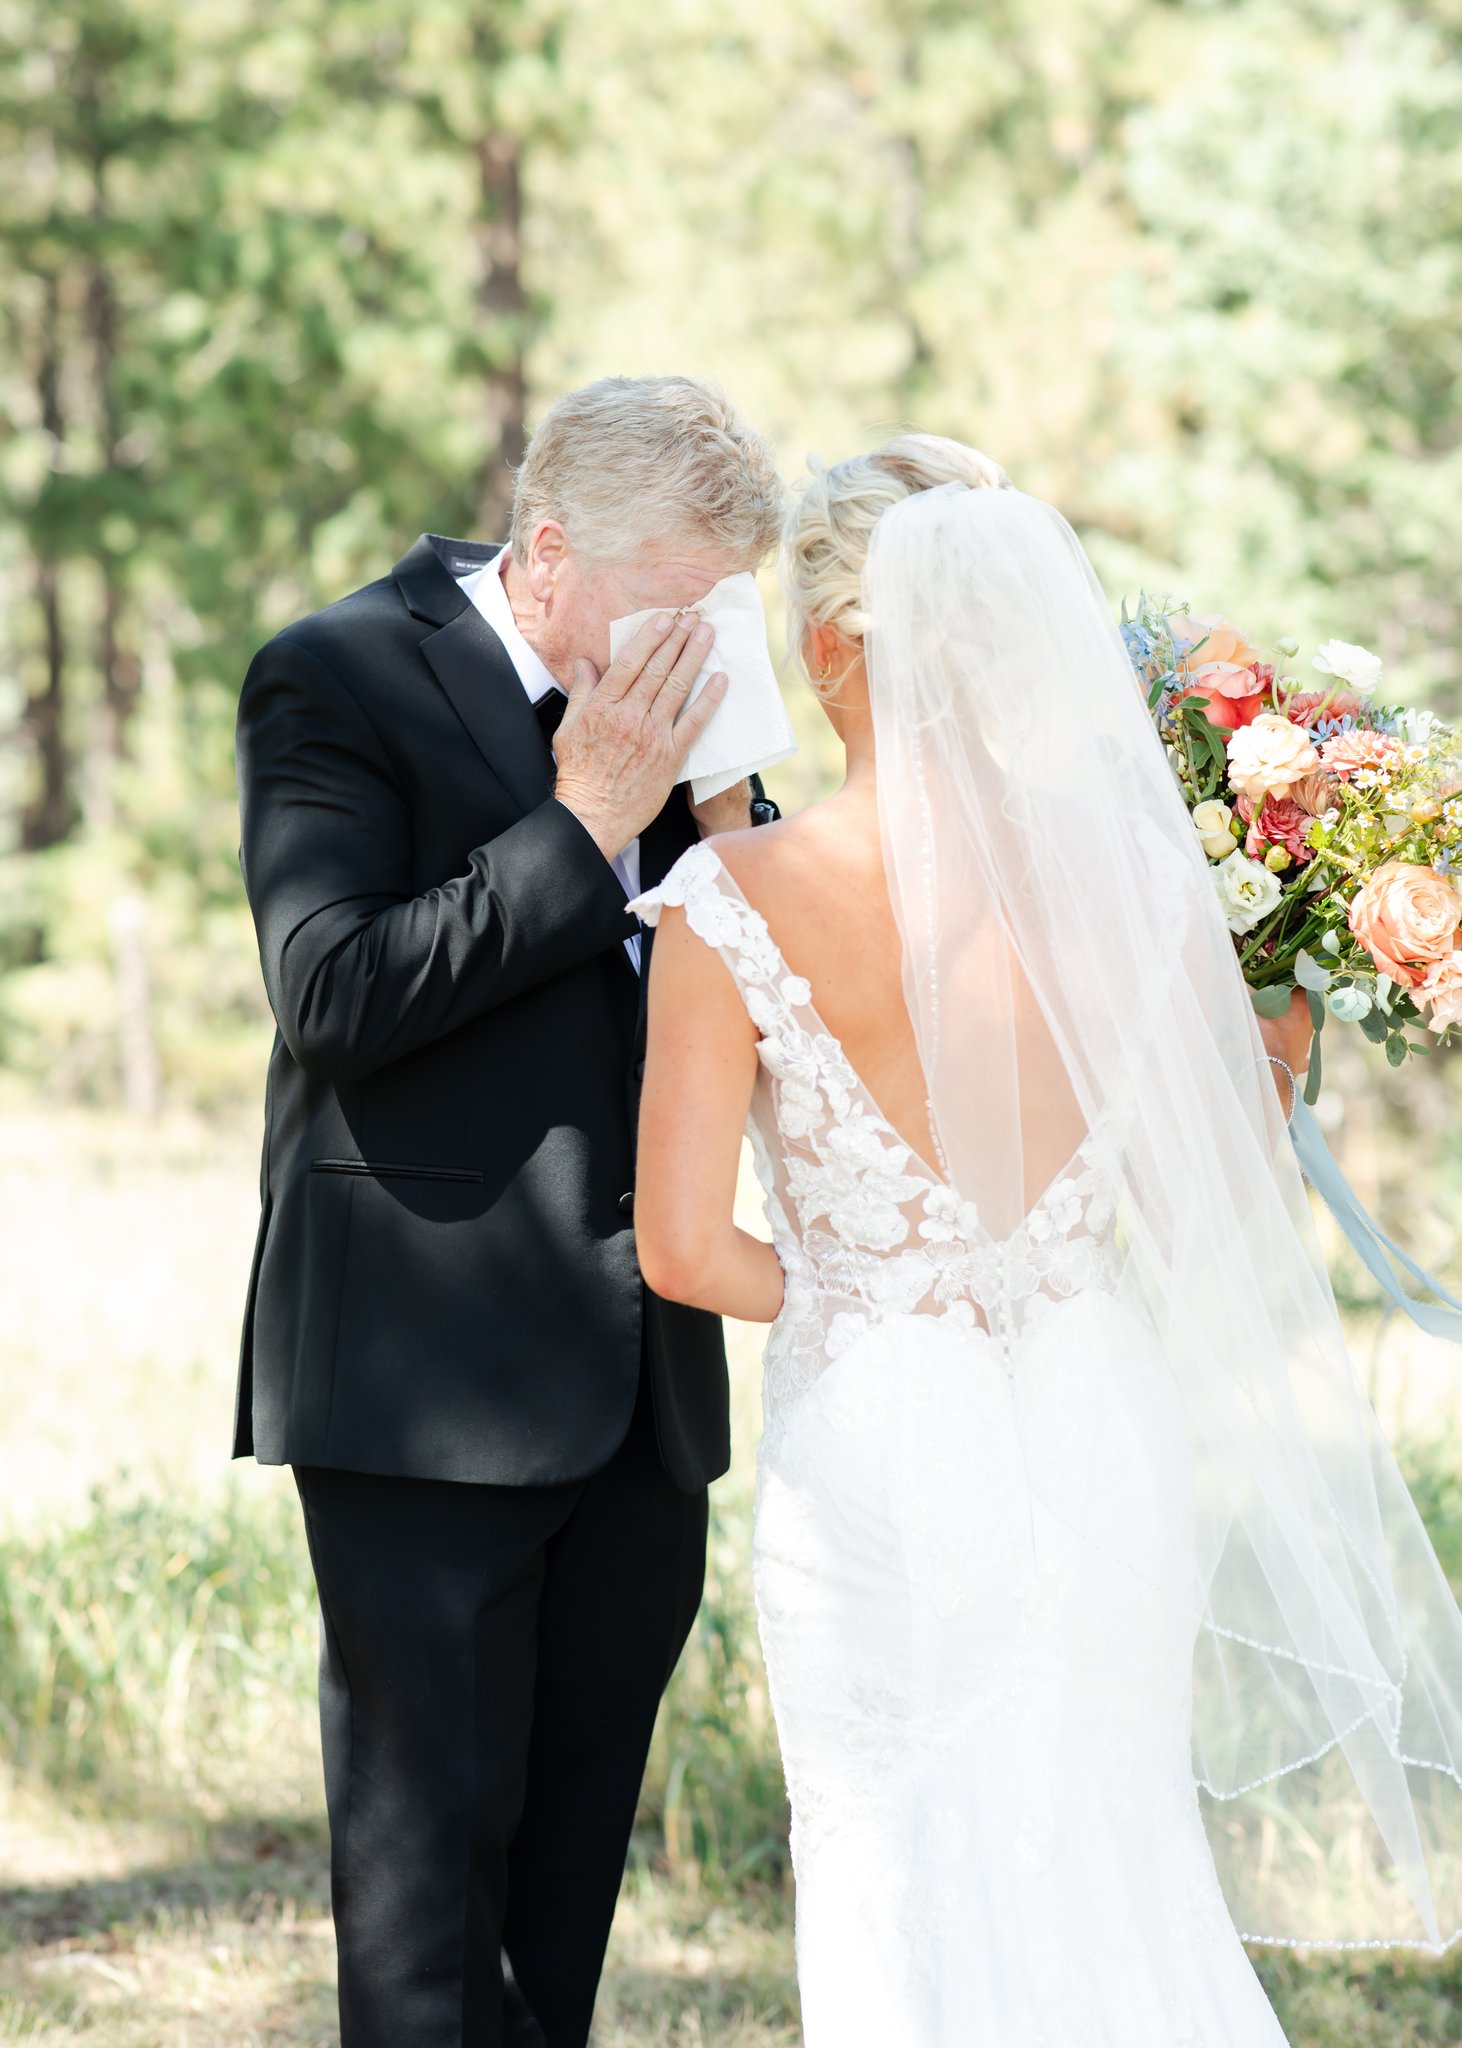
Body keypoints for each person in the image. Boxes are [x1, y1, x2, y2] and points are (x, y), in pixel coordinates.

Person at [630, 435, 1462, 2044]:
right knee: (1108, 1835)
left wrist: (869, 1294)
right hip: (1098, 1411)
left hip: (880, 1431)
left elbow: (678, 1248)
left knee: (896, 1857)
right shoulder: (1143, 883)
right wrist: (1291, 989)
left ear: (822, 644)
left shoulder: (729, 896)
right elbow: (1206, 1191)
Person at [233, 375, 785, 2048]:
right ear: (549, 552)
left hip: (646, 1385)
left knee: (562, 1908)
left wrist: (723, 824)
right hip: (425, 1380)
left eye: (726, 610)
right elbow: (331, 994)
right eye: (677, 605)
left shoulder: (700, 721)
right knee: (423, 1915)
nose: (704, 647)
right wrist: (583, 824)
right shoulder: (338, 673)